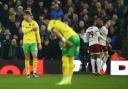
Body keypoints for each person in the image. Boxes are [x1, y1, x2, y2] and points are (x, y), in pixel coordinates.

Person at [47, 19, 80, 85]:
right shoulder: (59, 23)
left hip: (70, 38)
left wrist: (64, 41)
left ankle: (64, 80)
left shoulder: (50, 23)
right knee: (71, 60)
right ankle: (69, 80)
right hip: (76, 37)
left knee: (65, 58)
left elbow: (55, 31)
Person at [22, 10, 42, 78]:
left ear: (29, 16)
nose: (24, 16)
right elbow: (24, 31)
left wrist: (39, 43)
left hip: (33, 42)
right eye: (24, 15)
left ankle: (34, 72)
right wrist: (32, 29)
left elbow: (38, 34)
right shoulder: (23, 22)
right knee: (27, 58)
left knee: (35, 56)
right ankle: (27, 73)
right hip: (26, 43)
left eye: (25, 15)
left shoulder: (35, 23)